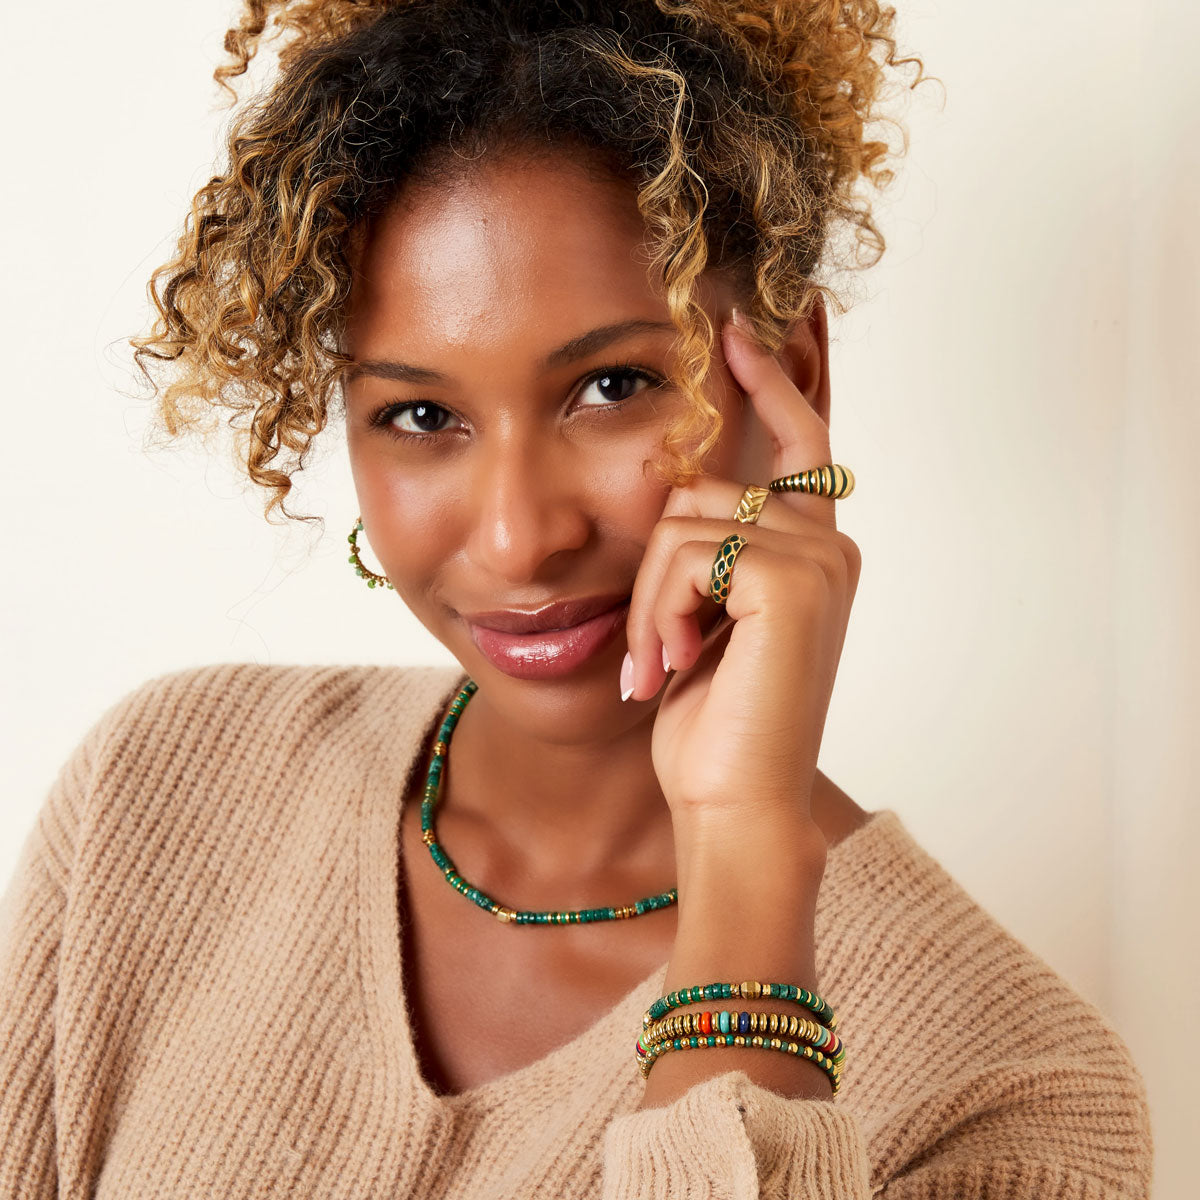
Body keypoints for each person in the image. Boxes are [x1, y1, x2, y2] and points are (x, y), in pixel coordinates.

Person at [0, 2, 1153, 1196]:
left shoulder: (1014, 1095)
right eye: (420, 416)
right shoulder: (164, 795)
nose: (518, 538)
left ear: (792, 374)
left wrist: (746, 849)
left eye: (612, 385)